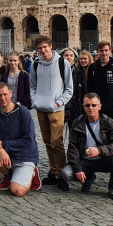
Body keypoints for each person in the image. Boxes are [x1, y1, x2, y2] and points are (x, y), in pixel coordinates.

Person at [0, 83, 41, 196]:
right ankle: (8, 175)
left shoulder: (23, 112)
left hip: (24, 156)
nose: (3, 98)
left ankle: (32, 173)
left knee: (16, 191)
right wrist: (1, 150)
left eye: (5, 94)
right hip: (6, 155)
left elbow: (28, 140)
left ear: (11, 94)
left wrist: (3, 144)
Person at [61, 93, 113, 200]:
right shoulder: (77, 123)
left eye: (94, 105)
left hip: (104, 159)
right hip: (85, 161)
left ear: (99, 106)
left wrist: (100, 150)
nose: (91, 108)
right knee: (66, 174)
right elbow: (72, 148)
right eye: (87, 105)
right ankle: (88, 177)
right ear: (83, 107)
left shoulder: (108, 122)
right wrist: (78, 169)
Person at [29, 35, 73, 191]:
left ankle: (62, 172)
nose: (43, 50)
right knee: (47, 141)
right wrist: (34, 100)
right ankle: (53, 171)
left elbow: (69, 88)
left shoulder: (62, 63)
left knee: (57, 141)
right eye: (40, 48)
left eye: (45, 47)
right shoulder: (35, 64)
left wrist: (59, 102)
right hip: (41, 107)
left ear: (50, 46)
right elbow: (32, 85)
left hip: (56, 108)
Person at [87, 41, 113, 142]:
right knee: (100, 132)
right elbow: (90, 88)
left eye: (106, 50)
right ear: (97, 52)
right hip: (99, 107)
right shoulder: (93, 67)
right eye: (101, 51)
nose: (104, 53)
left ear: (110, 51)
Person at [61, 48, 86, 127]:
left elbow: (84, 91)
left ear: (74, 58)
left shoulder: (79, 72)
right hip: (61, 105)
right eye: (66, 55)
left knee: (75, 133)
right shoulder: (57, 72)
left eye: (71, 55)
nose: (69, 57)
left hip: (75, 106)